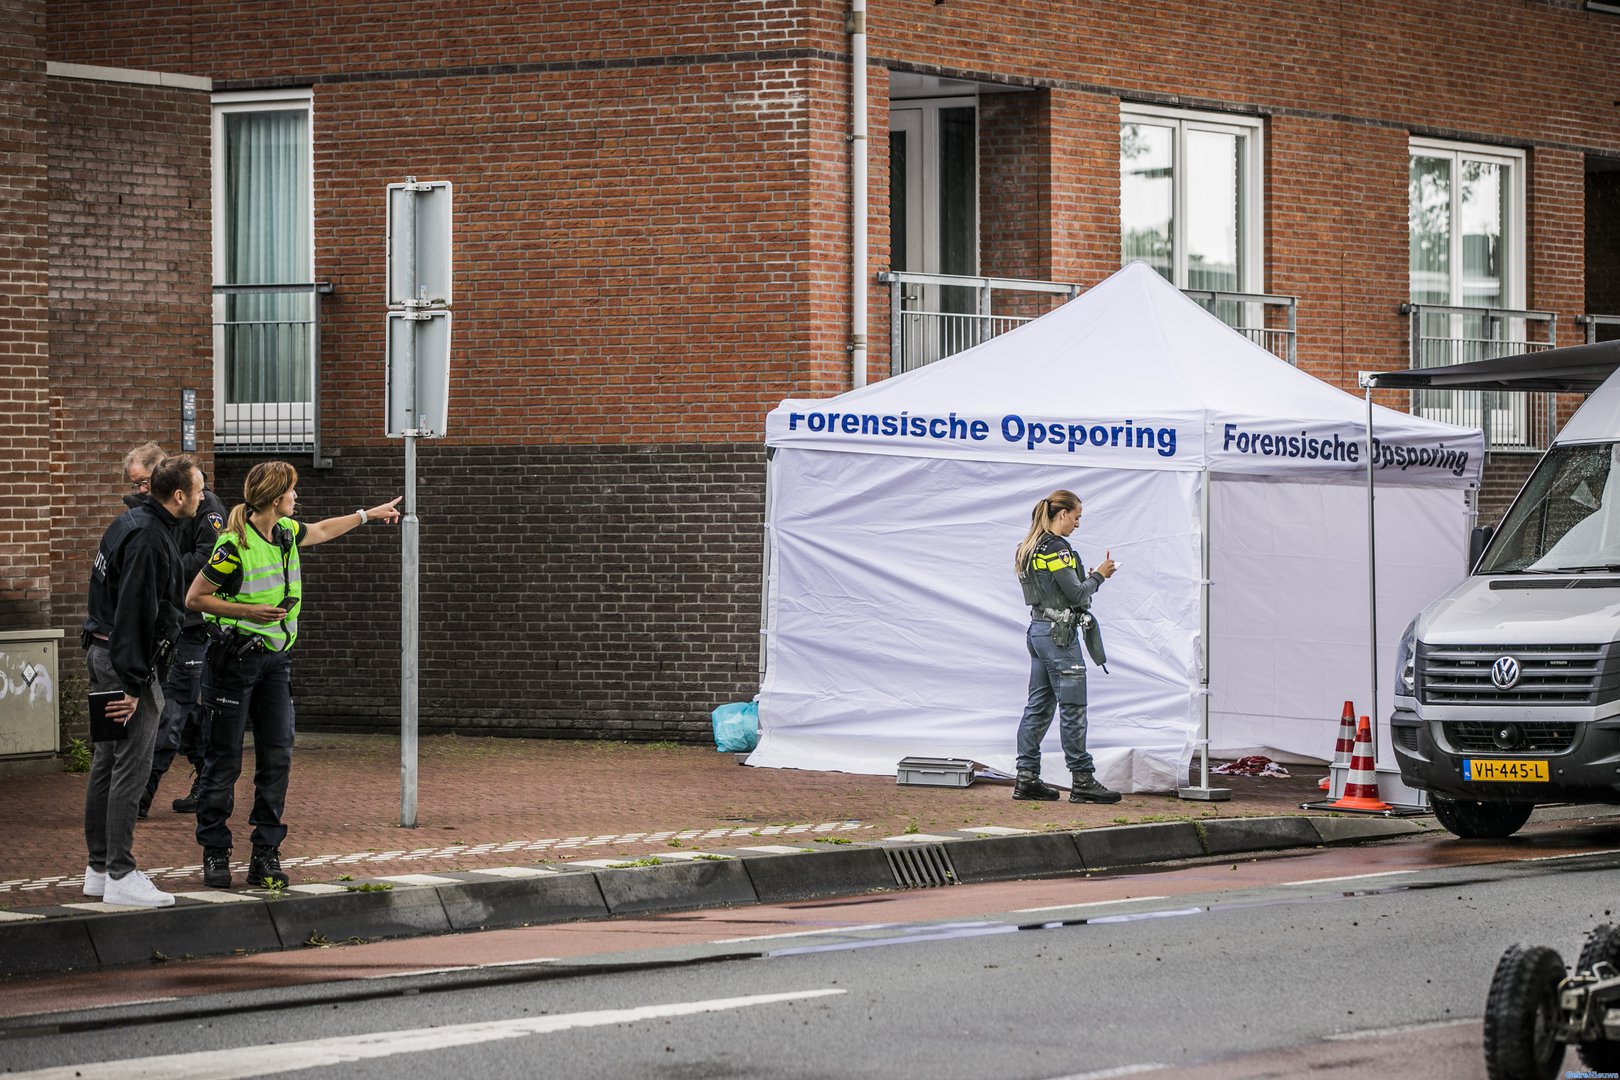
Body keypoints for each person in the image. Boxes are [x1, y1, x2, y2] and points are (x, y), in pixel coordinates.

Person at [186, 460, 401, 889]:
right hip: (235, 662)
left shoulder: (284, 534)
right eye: (292, 492)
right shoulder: (233, 545)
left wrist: (366, 515)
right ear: (273, 497)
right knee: (223, 761)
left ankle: (265, 853)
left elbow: (320, 530)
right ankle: (215, 852)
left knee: (277, 757)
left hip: (275, 662)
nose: (296, 498)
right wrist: (250, 611)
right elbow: (195, 598)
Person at [81, 453, 205, 907]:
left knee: (107, 762)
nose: (203, 496)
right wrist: (134, 686)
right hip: (126, 662)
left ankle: (98, 869)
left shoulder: (127, 522)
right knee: (131, 765)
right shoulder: (151, 538)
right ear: (178, 495)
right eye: (199, 489)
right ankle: (120, 873)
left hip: (102, 652)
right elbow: (136, 612)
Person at [121, 443, 227, 819]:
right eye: (135, 485)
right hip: (168, 621)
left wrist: (163, 567)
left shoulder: (204, 506)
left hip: (193, 625)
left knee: (171, 710)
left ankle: (139, 797)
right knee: (187, 712)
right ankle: (208, 782)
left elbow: (211, 558)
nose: (140, 492)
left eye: (144, 483)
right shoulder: (149, 513)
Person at [1011, 489, 1121, 804]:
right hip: (1060, 638)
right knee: (1073, 708)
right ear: (1063, 514)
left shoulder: (1028, 548)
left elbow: (1056, 590)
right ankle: (1083, 781)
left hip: (1038, 631)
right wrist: (1099, 576)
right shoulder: (1058, 549)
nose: (1077, 524)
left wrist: (1082, 584)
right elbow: (1075, 596)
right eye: (1077, 517)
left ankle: (1027, 777)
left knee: (1038, 707)